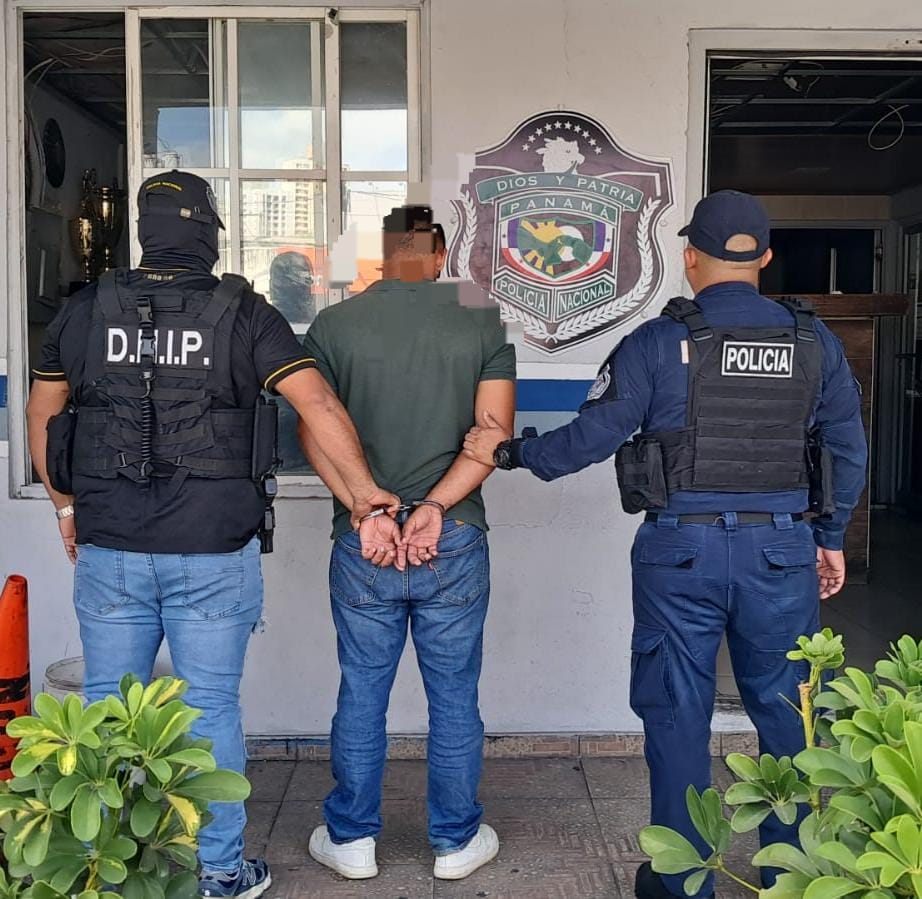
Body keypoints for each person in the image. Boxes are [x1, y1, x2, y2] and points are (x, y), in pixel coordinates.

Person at [462, 190, 867, 899]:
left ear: (690, 258)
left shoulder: (658, 341)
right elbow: (848, 450)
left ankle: (682, 881)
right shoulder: (814, 342)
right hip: (782, 551)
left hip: (681, 554)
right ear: (765, 258)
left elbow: (587, 440)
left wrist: (509, 452)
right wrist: (828, 539)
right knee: (789, 712)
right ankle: (792, 877)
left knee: (677, 711)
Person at [26, 171, 396, 899]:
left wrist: (65, 508)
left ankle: (106, 871)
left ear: (144, 232)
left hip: (109, 546)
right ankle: (219, 872)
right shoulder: (244, 312)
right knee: (209, 710)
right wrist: (366, 498)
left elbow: (44, 413)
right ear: (205, 234)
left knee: (108, 706)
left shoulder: (85, 309)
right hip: (212, 552)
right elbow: (317, 403)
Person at [299, 206, 516, 881]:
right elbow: (493, 436)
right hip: (452, 535)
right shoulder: (481, 320)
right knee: (453, 694)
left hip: (363, 538)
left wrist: (367, 508)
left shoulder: (334, 325)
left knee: (362, 690)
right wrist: (433, 507)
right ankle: (454, 843)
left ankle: (352, 841)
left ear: (384, 252)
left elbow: (312, 431)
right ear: (441, 254)